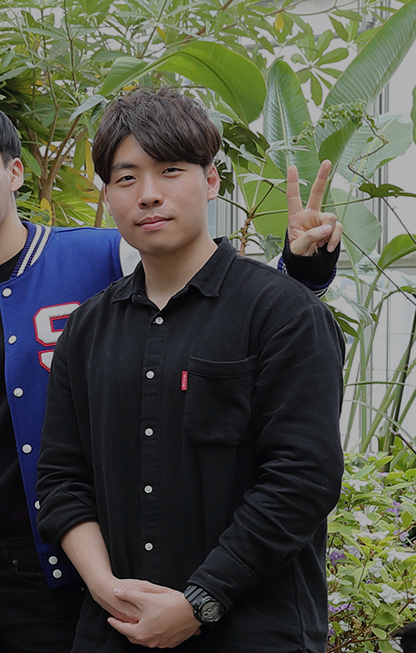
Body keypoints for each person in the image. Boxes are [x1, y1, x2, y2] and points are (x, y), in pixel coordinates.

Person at [0, 100, 343, 652]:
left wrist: (300, 270)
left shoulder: (101, 254)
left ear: (14, 172)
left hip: (64, 580)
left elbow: (215, 301)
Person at [35, 88, 345, 652]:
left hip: (254, 634)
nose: (149, 194)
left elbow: (303, 478)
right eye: (126, 178)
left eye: (170, 171)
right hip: (114, 632)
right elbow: (61, 480)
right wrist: (105, 587)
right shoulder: (85, 329)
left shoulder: (283, 313)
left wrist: (200, 601)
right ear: (108, 196)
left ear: (211, 181)